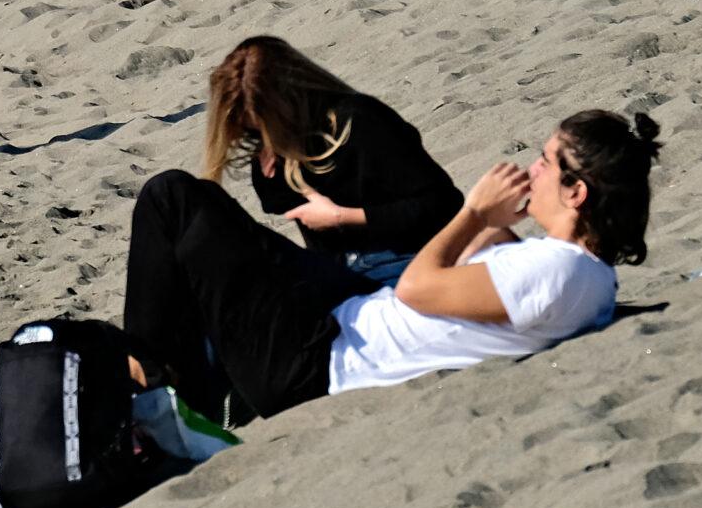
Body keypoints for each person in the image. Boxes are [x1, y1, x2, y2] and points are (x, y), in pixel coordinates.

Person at [120, 108, 657, 427]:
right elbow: (478, 278)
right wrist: (493, 225)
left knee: (174, 199)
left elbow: (417, 290)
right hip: (346, 317)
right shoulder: (577, 271)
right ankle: (174, 379)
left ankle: (146, 390)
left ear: (577, 192)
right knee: (223, 240)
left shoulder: (557, 274)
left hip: (320, 361)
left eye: (547, 162)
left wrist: (474, 213)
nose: (533, 169)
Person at [199, 36, 462, 285]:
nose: (258, 136)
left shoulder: (360, 121)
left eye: (262, 127)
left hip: (405, 256)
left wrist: (344, 217)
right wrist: (268, 165)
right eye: (251, 131)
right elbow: (281, 203)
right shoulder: (284, 143)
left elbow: (443, 204)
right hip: (337, 266)